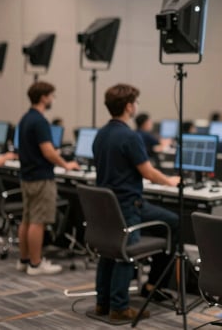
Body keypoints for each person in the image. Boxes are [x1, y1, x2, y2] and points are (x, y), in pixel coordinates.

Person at [93, 84, 180, 323]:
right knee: (129, 249)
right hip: (128, 206)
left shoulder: (101, 134)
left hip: (107, 208)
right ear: (129, 106)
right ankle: (127, 302)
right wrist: (170, 181)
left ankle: (103, 302)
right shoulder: (129, 136)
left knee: (108, 249)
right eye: (136, 102)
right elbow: (148, 172)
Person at [16, 81, 80, 275]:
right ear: (44, 97)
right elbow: (48, 152)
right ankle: (35, 265)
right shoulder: (40, 121)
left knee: (27, 219)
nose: (53, 99)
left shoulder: (26, 118)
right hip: (41, 177)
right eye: (52, 95)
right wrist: (66, 164)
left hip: (27, 176)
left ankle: (24, 260)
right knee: (38, 221)